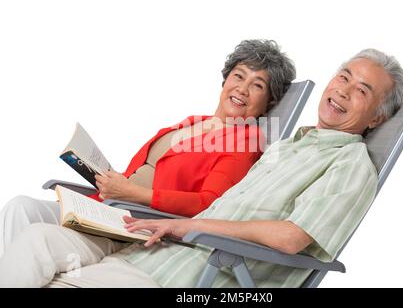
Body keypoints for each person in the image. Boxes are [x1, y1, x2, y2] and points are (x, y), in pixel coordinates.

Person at [0, 48, 403, 288]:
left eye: (362, 91)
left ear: (376, 117)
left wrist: (182, 224)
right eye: (343, 76)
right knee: (35, 240)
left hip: (187, 277)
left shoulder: (350, 164)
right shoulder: (287, 146)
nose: (342, 90)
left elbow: (291, 238)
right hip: (146, 249)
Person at [0, 39, 296, 257]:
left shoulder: (244, 143)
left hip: (134, 224)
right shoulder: (195, 122)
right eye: (239, 76)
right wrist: (108, 180)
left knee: (35, 241)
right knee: (19, 207)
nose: (243, 89)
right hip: (108, 205)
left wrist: (133, 194)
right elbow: (145, 171)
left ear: (267, 102)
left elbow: (208, 204)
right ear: (225, 79)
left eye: (258, 85)